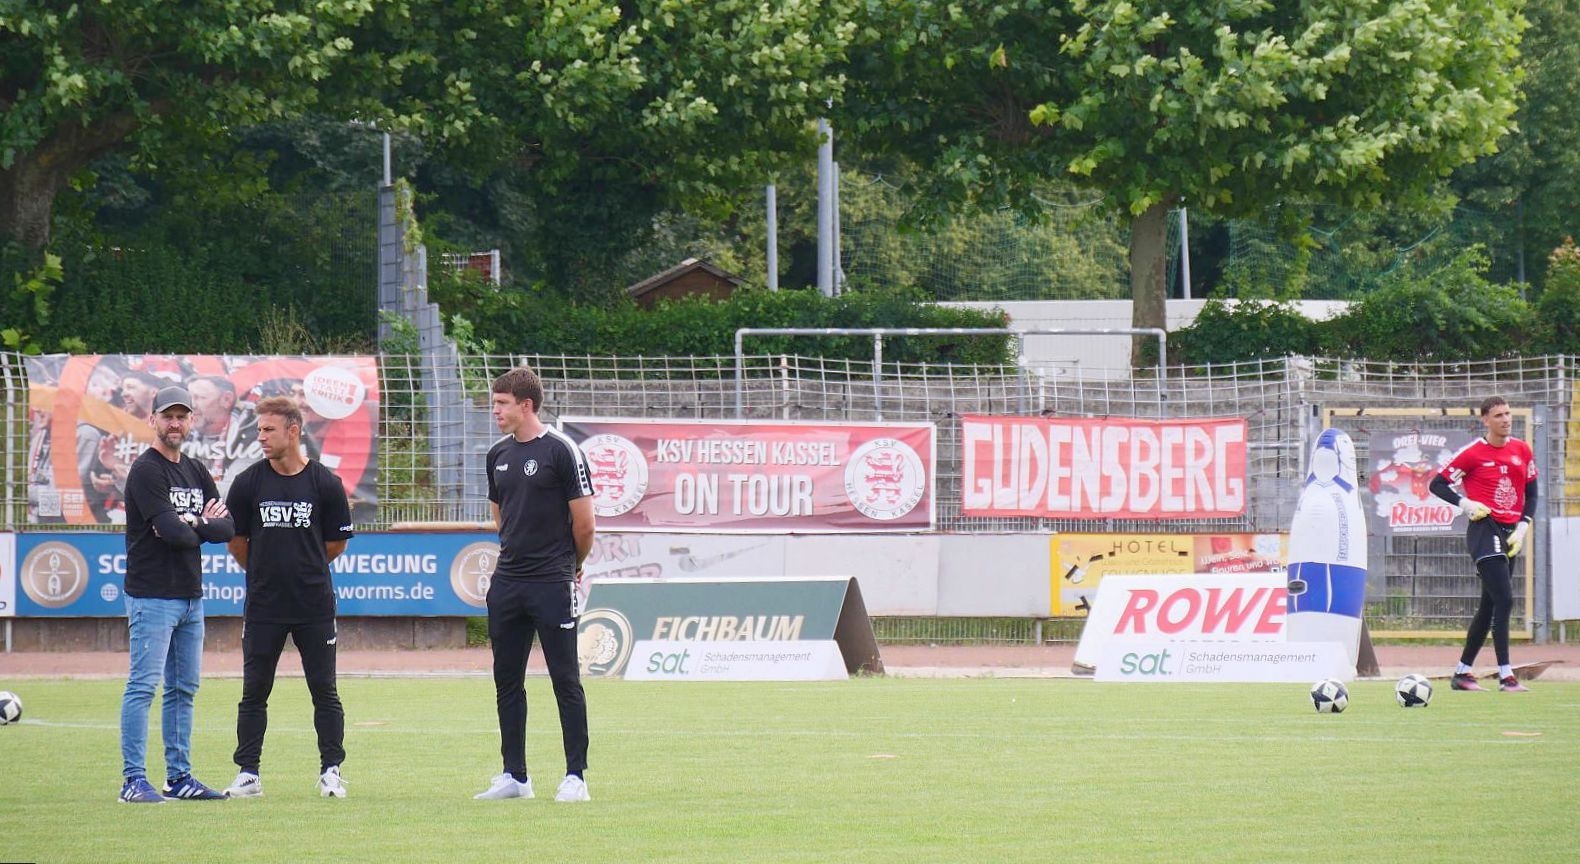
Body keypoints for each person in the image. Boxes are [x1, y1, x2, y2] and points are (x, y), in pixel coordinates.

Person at [222, 396, 354, 798]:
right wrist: (266, 572)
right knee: (254, 691)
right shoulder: (247, 482)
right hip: (264, 606)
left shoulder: (325, 483)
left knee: (324, 691)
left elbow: (335, 544)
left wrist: (303, 567)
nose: (261, 437)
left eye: (268, 429)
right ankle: (248, 773)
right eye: (258, 429)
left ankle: (331, 770)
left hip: (314, 605)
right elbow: (236, 542)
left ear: (293, 431)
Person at [475, 366, 596, 803]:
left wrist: (571, 565)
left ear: (526, 405)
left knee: (565, 679)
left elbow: (585, 524)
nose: (495, 411)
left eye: (502, 403)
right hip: (508, 582)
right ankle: (515, 776)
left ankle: (575, 776)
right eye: (494, 403)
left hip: (551, 581)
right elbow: (500, 514)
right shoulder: (497, 455)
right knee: (507, 680)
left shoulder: (562, 450)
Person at [119, 386, 235, 803]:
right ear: (152, 420)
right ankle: (133, 780)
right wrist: (195, 524)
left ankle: (179, 778)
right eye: (167, 416)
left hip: (190, 595)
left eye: (181, 416)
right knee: (143, 686)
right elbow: (172, 533)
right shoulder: (146, 471)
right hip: (151, 595)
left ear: (191, 422)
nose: (175, 423)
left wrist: (192, 524)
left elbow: (226, 528)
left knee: (184, 689)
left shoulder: (195, 470)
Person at [1428, 395, 1538, 693]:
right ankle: (1506, 676)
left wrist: (1522, 528)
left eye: (1508, 413)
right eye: (1499, 415)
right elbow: (1437, 484)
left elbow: (1532, 494)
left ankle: (1462, 673)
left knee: (1489, 605)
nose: (1506, 419)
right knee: (1505, 599)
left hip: (1510, 533)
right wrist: (1465, 504)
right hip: (1484, 529)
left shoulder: (1522, 450)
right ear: (1485, 420)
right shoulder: (1473, 453)